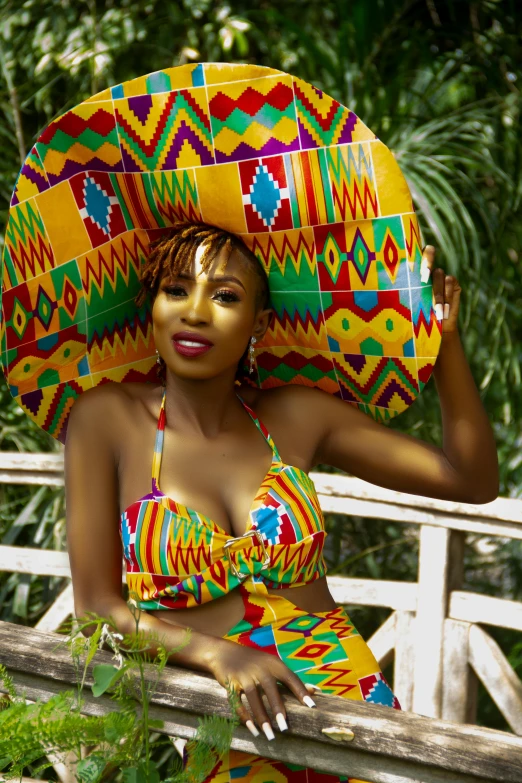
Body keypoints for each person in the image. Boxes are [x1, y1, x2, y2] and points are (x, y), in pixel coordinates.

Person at [65, 220, 499, 782]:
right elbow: (99, 611)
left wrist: (444, 347)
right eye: (175, 289)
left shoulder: (294, 416)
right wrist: (218, 654)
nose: (195, 312)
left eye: (225, 296)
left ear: (259, 324)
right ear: (151, 306)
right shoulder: (106, 420)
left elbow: (469, 480)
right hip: (234, 722)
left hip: (354, 708)